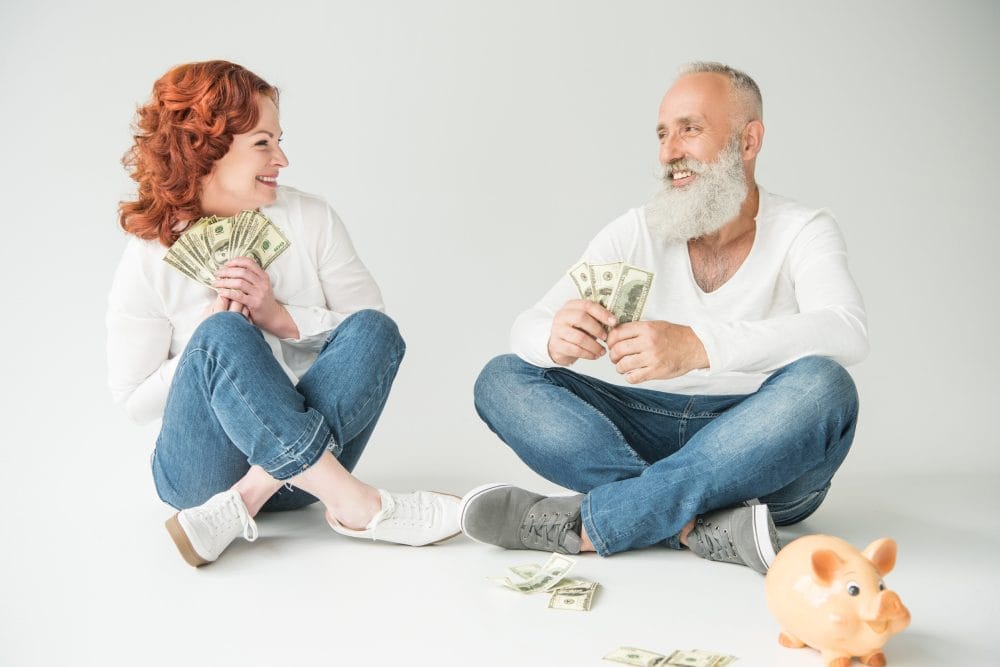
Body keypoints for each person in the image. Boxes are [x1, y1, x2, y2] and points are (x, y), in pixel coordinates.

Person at [459, 62, 868, 574]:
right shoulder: (637, 231)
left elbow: (846, 330)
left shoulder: (804, 230)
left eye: (690, 129)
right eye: (662, 133)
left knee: (824, 386)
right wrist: (553, 336)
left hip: (760, 445)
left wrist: (699, 346)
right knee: (502, 377)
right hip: (644, 428)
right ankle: (703, 523)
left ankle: (599, 520)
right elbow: (527, 325)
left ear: (749, 141)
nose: (669, 152)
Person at [107, 60, 460, 567]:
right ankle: (357, 504)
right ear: (204, 150)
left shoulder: (310, 219)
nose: (283, 158)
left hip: (297, 488)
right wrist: (206, 345)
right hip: (199, 480)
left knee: (377, 329)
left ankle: (248, 499)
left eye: (278, 139)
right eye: (262, 143)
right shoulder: (148, 256)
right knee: (222, 333)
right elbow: (133, 401)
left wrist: (281, 318)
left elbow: (368, 345)